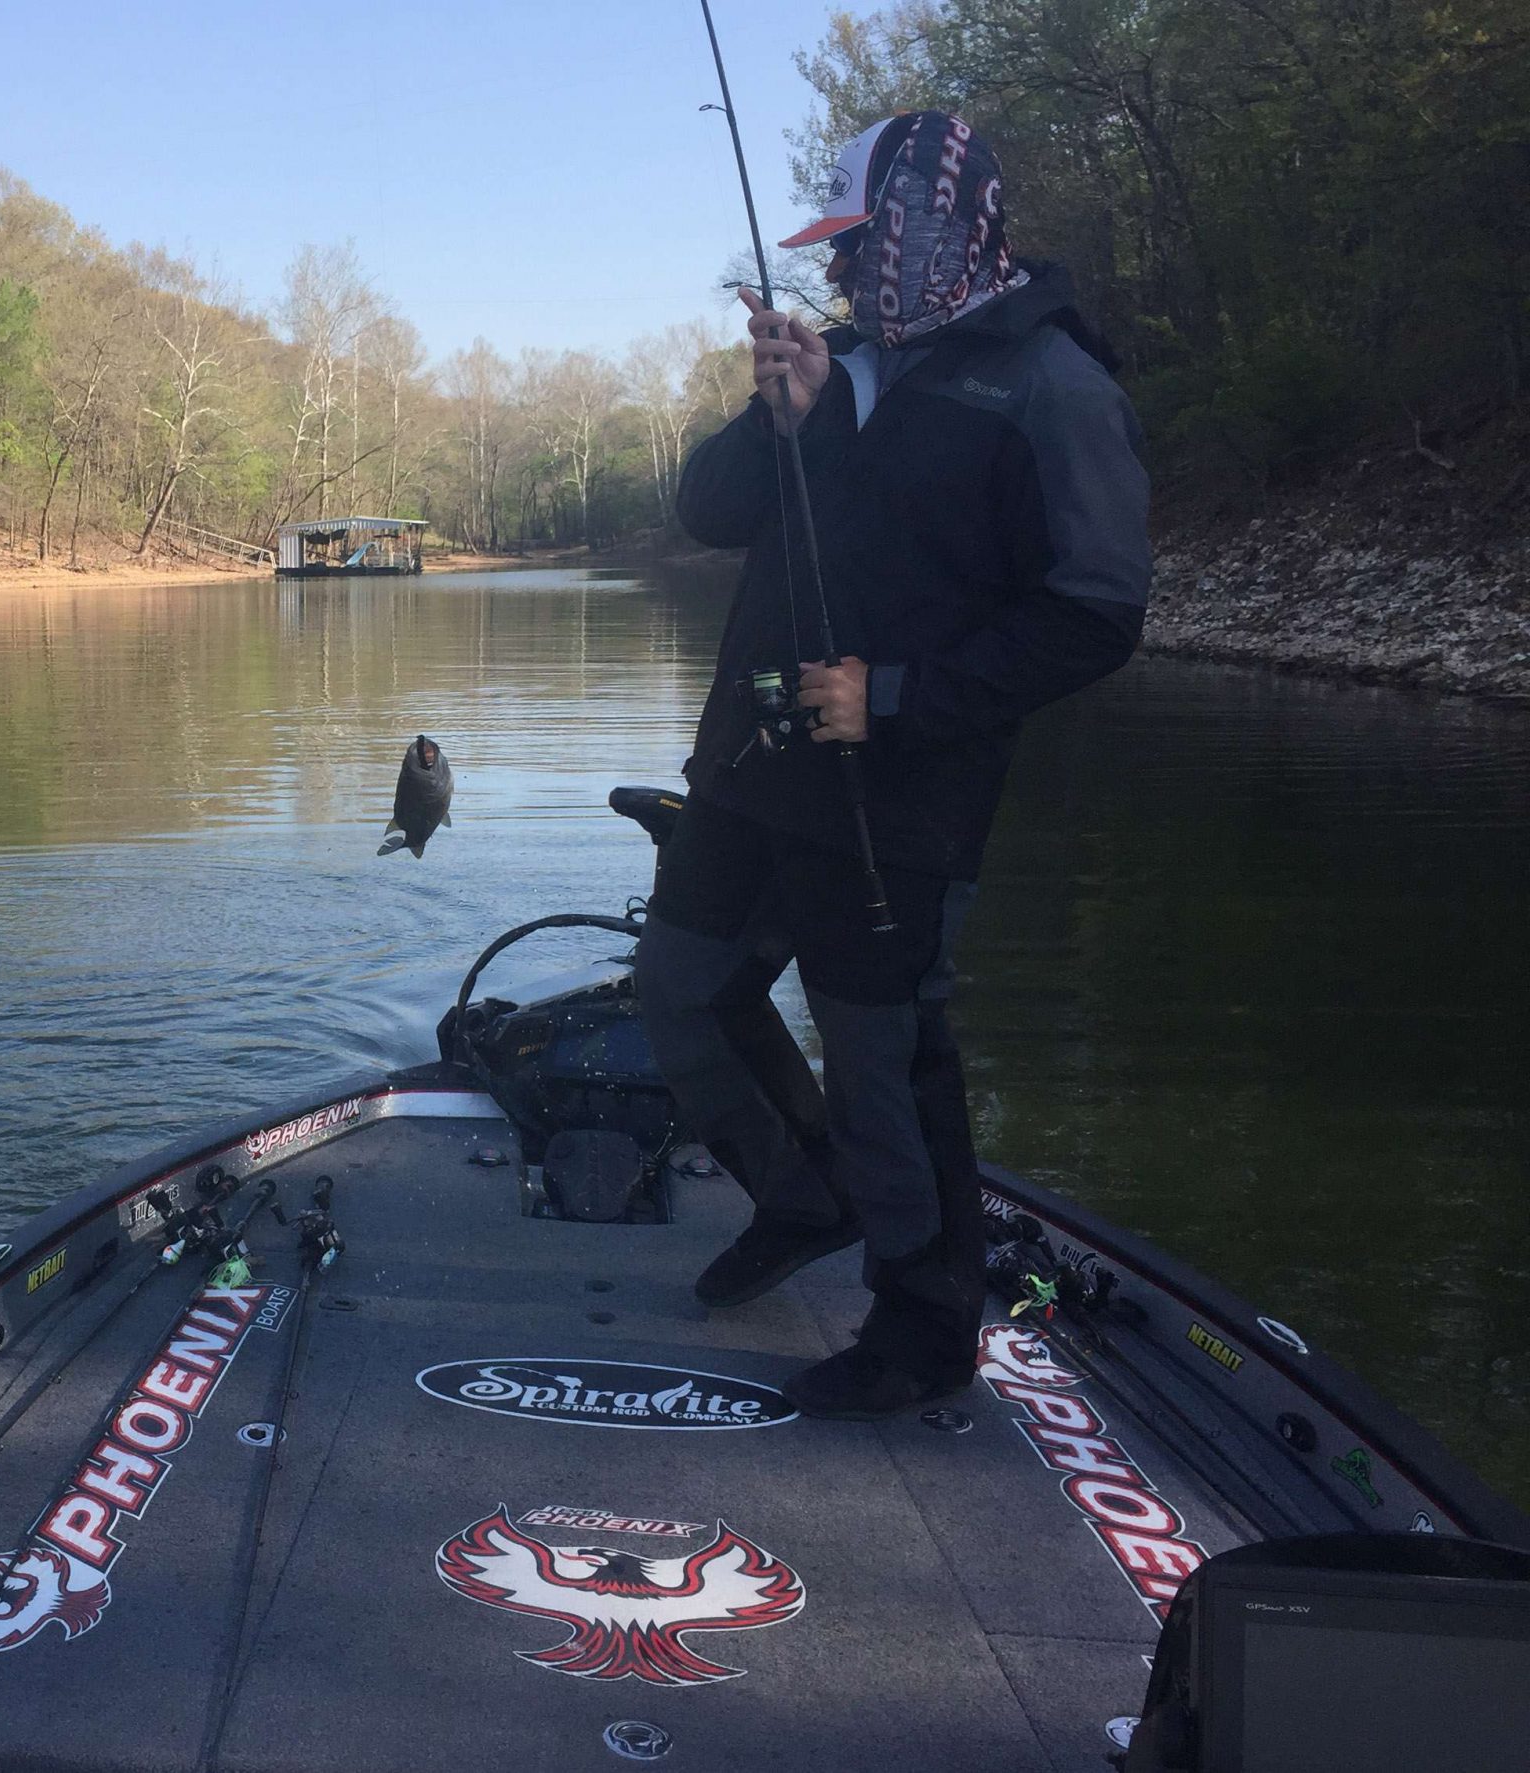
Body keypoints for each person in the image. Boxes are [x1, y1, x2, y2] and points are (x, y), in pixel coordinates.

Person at [636, 111, 1152, 1418]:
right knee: (681, 992)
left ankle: (923, 1332)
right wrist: (781, 417)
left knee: (885, 1062)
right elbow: (709, 511)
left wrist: (900, 697)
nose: (842, 269)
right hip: (752, 770)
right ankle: (805, 1194)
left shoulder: (1052, 388)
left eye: (861, 242)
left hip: (899, 803)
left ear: (935, 226)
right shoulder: (839, 364)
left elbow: (1096, 611)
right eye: (837, 248)